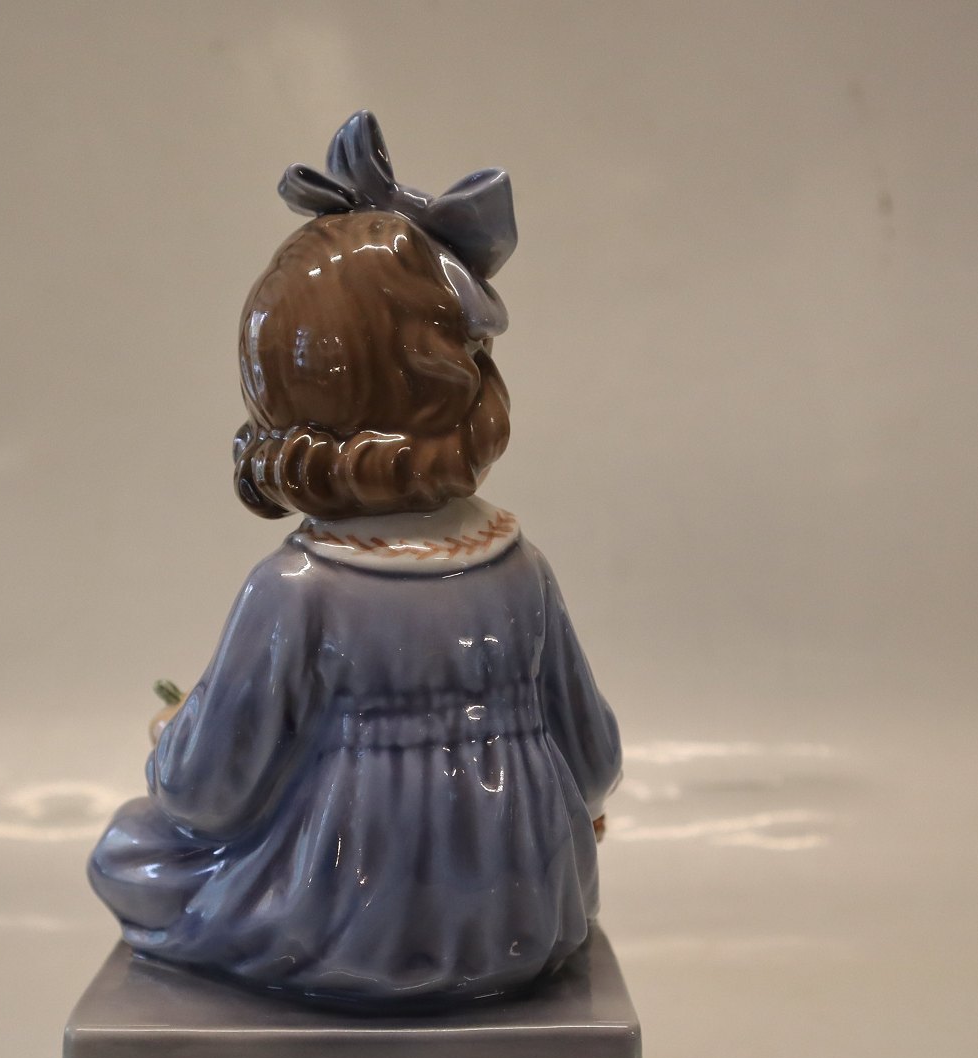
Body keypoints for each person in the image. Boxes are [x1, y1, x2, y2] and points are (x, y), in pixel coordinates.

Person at [89, 114, 620, 1012]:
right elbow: (594, 756)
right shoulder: (519, 569)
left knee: (132, 851)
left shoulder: (297, 592)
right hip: (527, 915)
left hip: (349, 920)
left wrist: (174, 732)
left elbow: (206, 794)